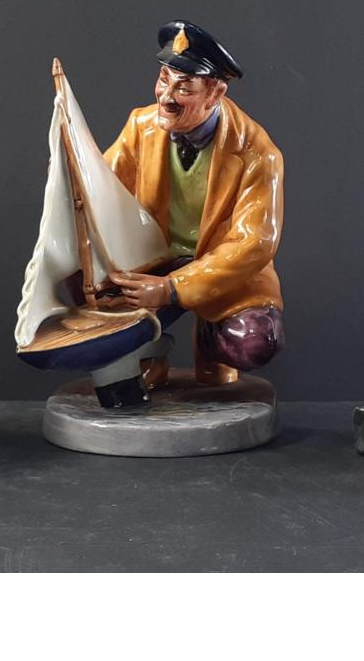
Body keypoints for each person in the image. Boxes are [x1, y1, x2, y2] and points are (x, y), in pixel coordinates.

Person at [96, 21, 285, 405]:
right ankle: (148, 355)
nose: (167, 97)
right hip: (154, 259)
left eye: (184, 88)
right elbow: (104, 187)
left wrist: (172, 289)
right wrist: (75, 176)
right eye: (164, 80)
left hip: (224, 271)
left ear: (215, 92)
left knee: (254, 341)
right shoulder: (140, 126)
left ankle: (212, 340)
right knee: (89, 290)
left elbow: (255, 243)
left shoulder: (258, 154)